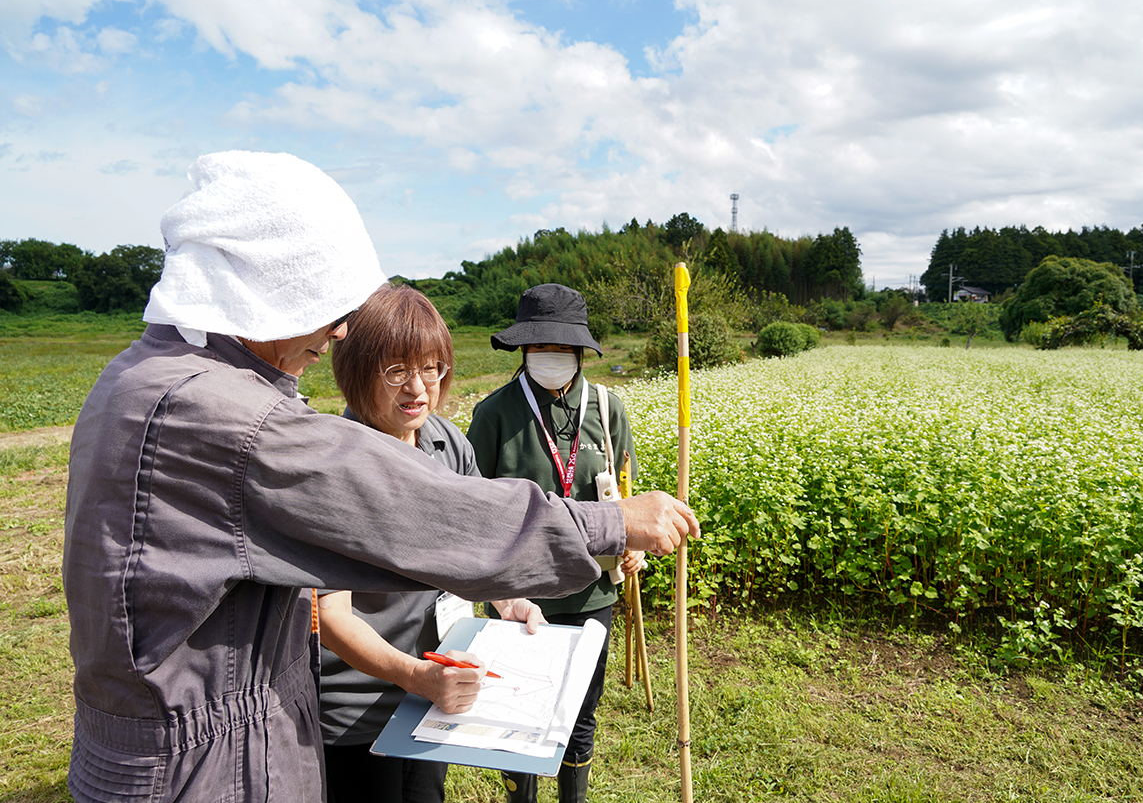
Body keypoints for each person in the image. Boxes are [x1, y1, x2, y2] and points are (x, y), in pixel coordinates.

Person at [62, 151, 700, 803]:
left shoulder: (141, 374)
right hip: (212, 771)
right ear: (266, 288)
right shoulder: (225, 414)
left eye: (432, 369)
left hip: (200, 750)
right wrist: (611, 522)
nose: (338, 330)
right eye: (325, 303)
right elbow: (427, 515)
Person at [318, 285, 545, 803]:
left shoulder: (447, 442)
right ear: (356, 372)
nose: (418, 387)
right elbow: (330, 617)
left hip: (436, 684)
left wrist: (506, 600)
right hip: (358, 707)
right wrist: (415, 676)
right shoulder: (333, 465)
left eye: (432, 368)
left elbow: (477, 548)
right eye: (396, 371)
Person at [466, 283, 643, 803]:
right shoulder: (495, 415)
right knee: (521, 711)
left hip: (594, 595)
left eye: (561, 348)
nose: (551, 358)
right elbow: (475, 511)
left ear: (580, 352)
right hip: (522, 596)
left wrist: (630, 539)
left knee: (582, 710)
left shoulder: (607, 409)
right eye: (539, 348)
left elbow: (624, 493)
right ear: (523, 350)